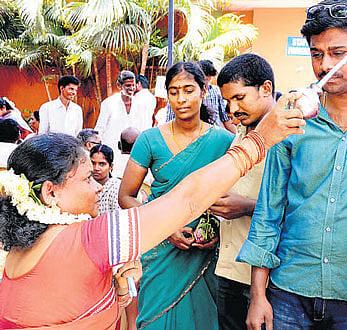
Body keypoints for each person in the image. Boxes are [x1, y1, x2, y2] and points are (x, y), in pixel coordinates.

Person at [0, 84, 306, 328]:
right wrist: (258, 141)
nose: (97, 186)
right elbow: (186, 199)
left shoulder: (21, 248)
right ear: (50, 193)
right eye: (86, 179)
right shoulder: (90, 238)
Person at [237, 1, 347, 329]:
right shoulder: (291, 115)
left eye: (338, 53)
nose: (325, 65)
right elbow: (270, 209)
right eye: (316, 53)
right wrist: (258, 295)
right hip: (288, 292)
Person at [118, 61, 234, 329]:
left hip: (204, 253)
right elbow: (126, 196)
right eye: (173, 91)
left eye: (188, 90)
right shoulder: (149, 139)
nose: (181, 99)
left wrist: (214, 232)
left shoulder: (224, 142)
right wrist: (166, 226)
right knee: (155, 321)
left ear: (204, 91)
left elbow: (231, 197)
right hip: (161, 251)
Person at [211, 53, 278, 330]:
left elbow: (297, 206)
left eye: (239, 98)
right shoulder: (241, 133)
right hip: (228, 265)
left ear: (265, 89)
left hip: (264, 276)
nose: (232, 108)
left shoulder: (288, 135)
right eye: (227, 101)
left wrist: (247, 207)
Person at [94, 71, 152, 154]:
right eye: (128, 85)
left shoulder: (142, 105)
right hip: (112, 153)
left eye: (133, 85)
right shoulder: (109, 103)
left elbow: (146, 129)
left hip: (134, 153)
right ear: (119, 85)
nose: (131, 88)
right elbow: (100, 128)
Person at [198, 60, 237, 134]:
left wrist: (237, 137)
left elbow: (225, 118)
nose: (205, 79)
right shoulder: (190, 94)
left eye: (208, 77)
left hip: (217, 133)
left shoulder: (216, 91)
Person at [89, 144, 120, 215]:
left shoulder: (116, 188)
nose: (96, 168)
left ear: (111, 166)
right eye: (93, 163)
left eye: (102, 164)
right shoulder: (84, 184)